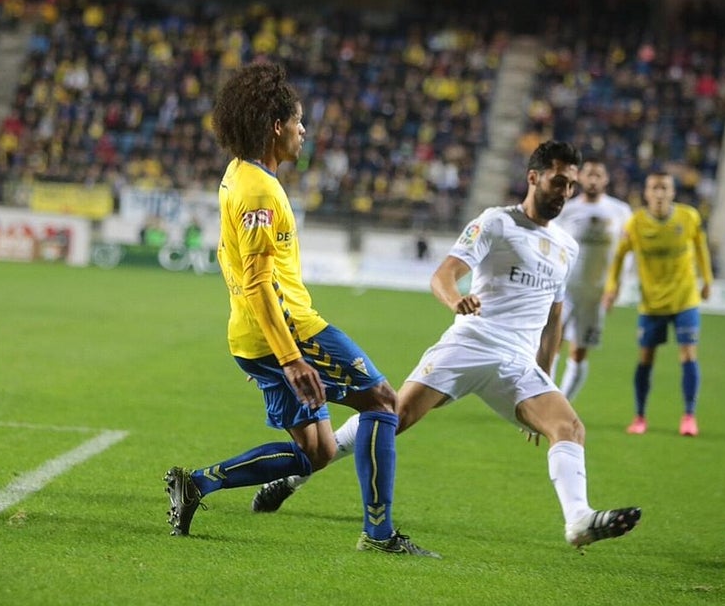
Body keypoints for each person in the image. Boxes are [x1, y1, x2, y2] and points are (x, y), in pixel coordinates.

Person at [253, 141, 641, 550]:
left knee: (569, 427)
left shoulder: (567, 245)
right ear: (534, 177)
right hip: (472, 342)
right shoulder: (496, 223)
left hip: (519, 363)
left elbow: (553, 320)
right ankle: (292, 477)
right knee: (393, 417)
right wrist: (456, 299)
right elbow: (443, 275)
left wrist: (546, 378)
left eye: (571, 185)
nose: (565, 192)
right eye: (558, 181)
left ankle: (578, 519)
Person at [164, 63, 438, 557]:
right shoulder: (260, 191)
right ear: (276, 126)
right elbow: (258, 281)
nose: (304, 131)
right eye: (298, 122)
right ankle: (379, 535)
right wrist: (289, 357)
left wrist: (266, 351)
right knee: (381, 402)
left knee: (318, 453)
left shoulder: (239, 175)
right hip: (292, 331)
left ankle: (199, 484)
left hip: (253, 337)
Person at [603, 170, 713, 437]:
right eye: (655, 188)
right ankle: (640, 417)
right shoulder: (636, 224)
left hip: (685, 298)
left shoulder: (689, 217)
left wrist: (707, 279)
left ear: (673, 192)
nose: (660, 194)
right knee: (646, 359)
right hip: (651, 303)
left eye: (665, 188)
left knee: (688, 354)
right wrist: (611, 288)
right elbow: (618, 257)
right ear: (646, 193)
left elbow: (701, 247)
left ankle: (689, 416)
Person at [550, 156, 633, 402]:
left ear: (606, 180)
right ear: (580, 178)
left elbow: (626, 252)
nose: (594, 180)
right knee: (552, 343)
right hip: (565, 289)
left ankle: (563, 402)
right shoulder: (566, 209)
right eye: (589, 174)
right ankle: (545, 398)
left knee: (579, 351)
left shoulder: (620, 211)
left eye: (599, 175)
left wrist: (616, 286)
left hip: (596, 292)